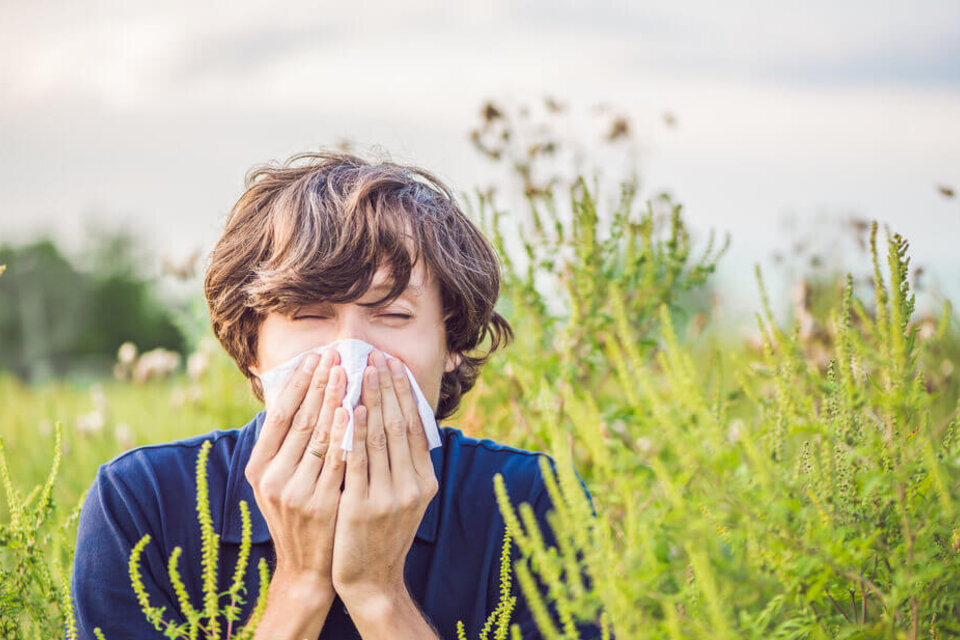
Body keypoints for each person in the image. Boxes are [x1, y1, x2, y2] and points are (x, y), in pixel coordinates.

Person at [71, 150, 606, 639]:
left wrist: (379, 593)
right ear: (250, 346)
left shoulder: (532, 505)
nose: (351, 352)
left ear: (452, 346)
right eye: (308, 314)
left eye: (393, 314)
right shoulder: (144, 504)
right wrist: (301, 584)